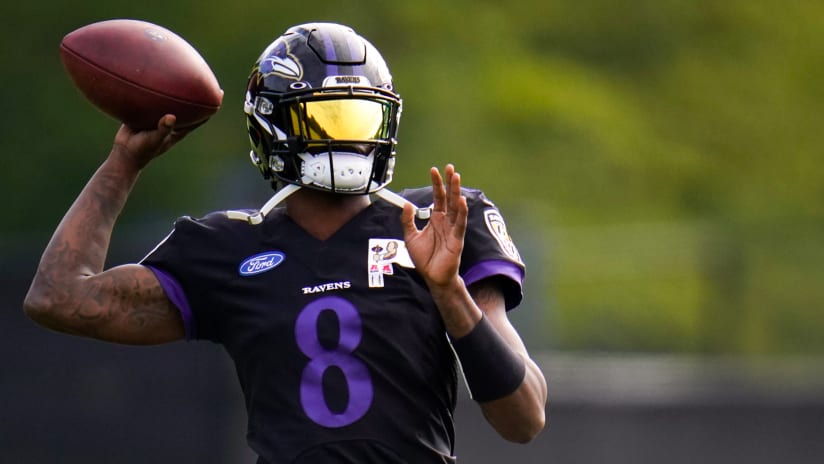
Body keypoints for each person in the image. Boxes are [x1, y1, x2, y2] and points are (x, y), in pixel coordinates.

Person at [24, 22, 547, 463]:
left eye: (362, 117)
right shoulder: (227, 248)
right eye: (326, 119)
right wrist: (124, 163)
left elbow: (524, 418)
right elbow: (59, 297)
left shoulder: (437, 225)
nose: (349, 139)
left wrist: (450, 292)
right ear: (274, 126)